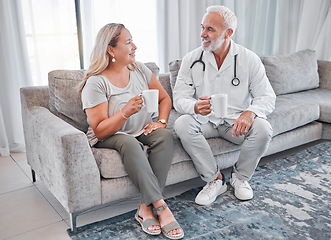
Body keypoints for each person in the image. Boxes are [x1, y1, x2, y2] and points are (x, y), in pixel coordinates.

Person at [78, 23, 184, 239]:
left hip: (139, 128)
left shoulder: (139, 69)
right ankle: (162, 207)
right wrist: (125, 112)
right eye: (128, 42)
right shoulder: (96, 83)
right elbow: (99, 130)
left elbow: (164, 98)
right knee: (129, 143)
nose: (134, 46)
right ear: (111, 49)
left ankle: (145, 208)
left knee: (165, 136)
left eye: (132, 40)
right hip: (110, 135)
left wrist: (161, 122)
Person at [173, 6, 276, 206]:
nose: (203, 34)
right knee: (182, 123)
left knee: (263, 128)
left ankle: (240, 177)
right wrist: (195, 107)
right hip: (206, 121)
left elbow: (267, 97)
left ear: (228, 33)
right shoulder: (192, 59)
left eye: (210, 29)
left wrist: (251, 112)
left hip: (235, 123)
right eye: (202, 28)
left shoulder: (249, 59)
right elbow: (179, 97)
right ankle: (214, 180)